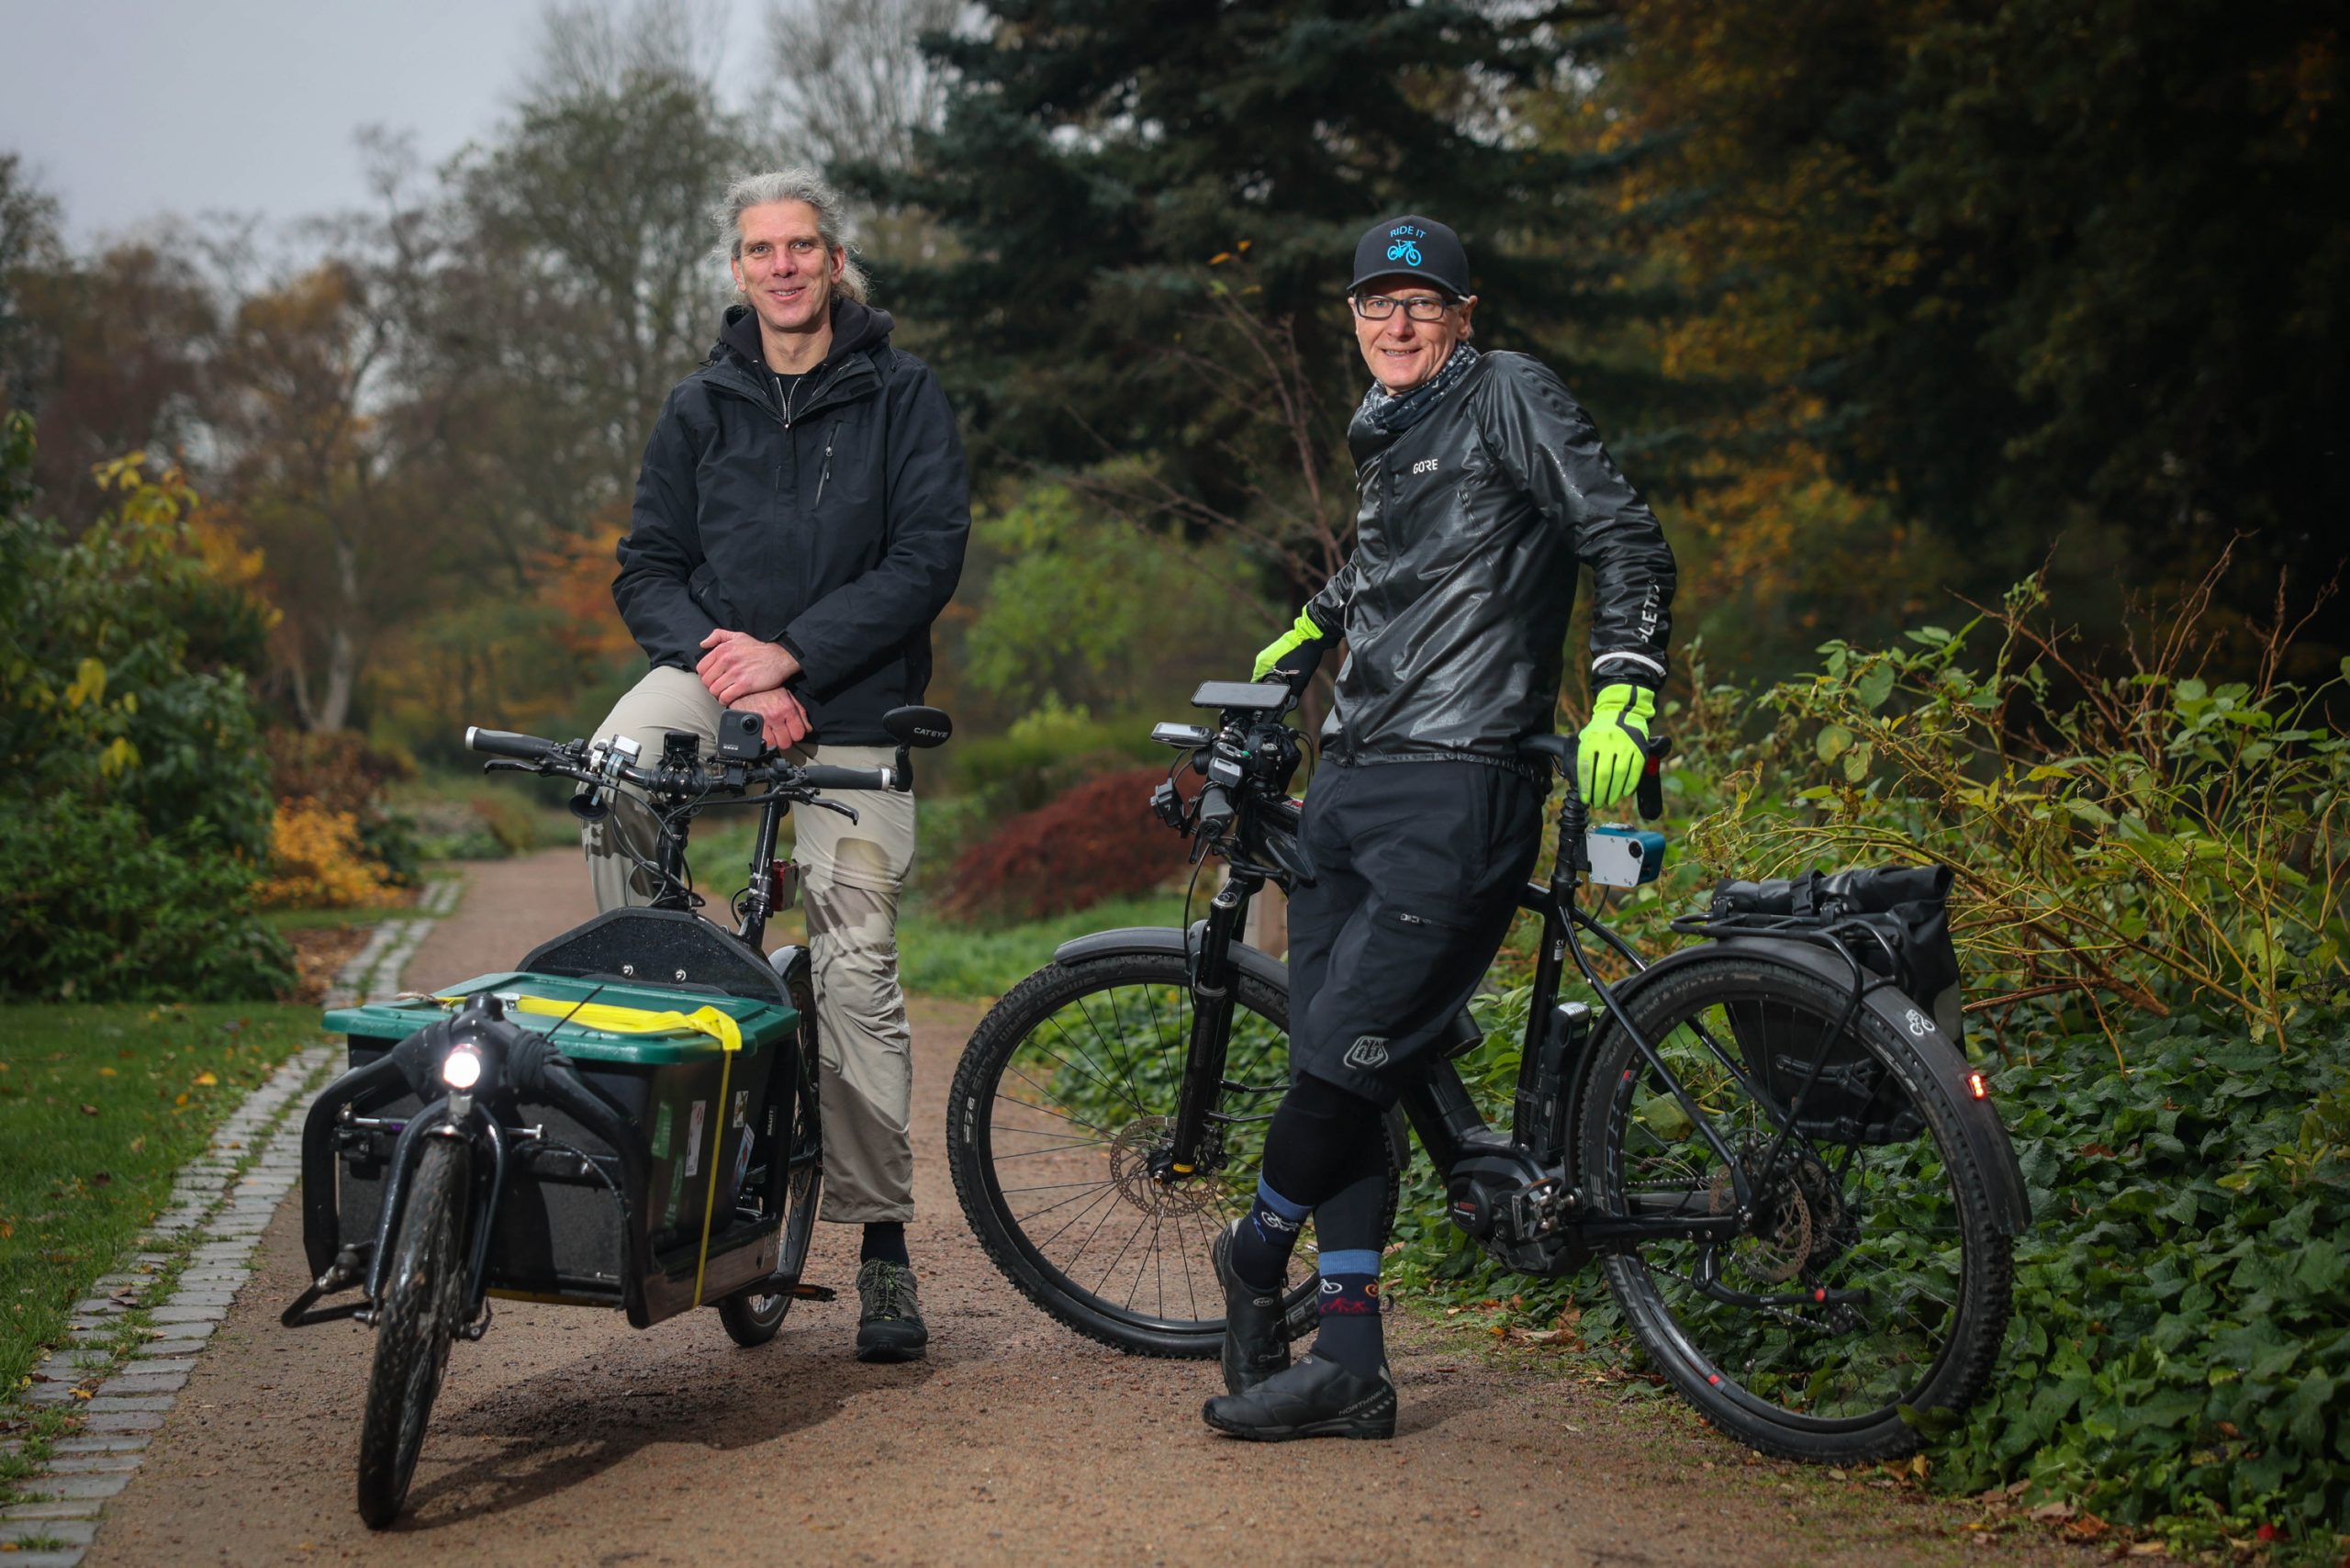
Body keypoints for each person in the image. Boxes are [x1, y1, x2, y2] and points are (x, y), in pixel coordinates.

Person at [1200, 214, 1676, 1439]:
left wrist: (1624, 681)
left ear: (1466, 316)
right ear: (1353, 319)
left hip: (1462, 777)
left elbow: (1618, 529)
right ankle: (1351, 1364)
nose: (1395, 322)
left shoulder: (1508, 393)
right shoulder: (1387, 427)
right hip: (1356, 773)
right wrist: (1312, 631)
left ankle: (1255, 1255)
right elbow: (1389, 564)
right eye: (1374, 302)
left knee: (1338, 1054)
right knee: (1345, 1071)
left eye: (1421, 302)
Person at [586, 169, 971, 1362]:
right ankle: (681, 971)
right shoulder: (697, 404)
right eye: (763, 251)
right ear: (737, 269)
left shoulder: (904, 394)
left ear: (837, 262)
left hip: (850, 696)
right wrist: (739, 669)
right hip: (720, 665)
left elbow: (926, 557)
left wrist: (797, 660)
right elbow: (645, 561)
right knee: (615, 768)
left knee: (854, 962)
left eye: (805, 246)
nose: (786, 267)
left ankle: (882, 1241)